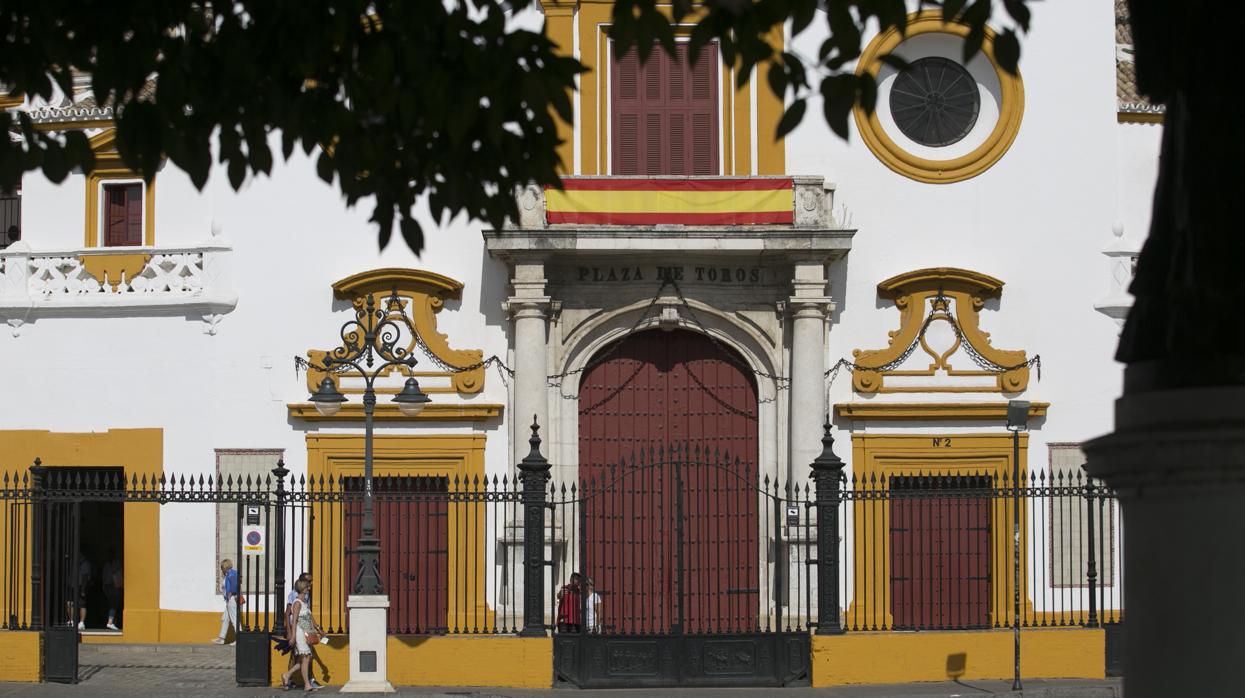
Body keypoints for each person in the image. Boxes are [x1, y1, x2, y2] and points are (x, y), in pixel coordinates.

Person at [280, 579, 325, 692]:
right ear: (303, 588)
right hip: (300, 633)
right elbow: (294, 621)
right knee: (305, 657)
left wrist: (319, 629)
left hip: (306, 632)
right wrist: (293, 636)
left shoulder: (304, 602)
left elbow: (310, 618)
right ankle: (307, 684)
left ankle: (287, 675)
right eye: (307, 587)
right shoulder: (296, 603)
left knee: (306, 658)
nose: (309, 588)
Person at [213, 559, 239, 644]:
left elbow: (234, 587)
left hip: (231, 599)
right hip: (229, 600)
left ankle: (240, 639)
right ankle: (221, 638)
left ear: (225, 566)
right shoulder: (230, 574)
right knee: (225, 619)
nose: (221, 569)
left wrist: (229, 596)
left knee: (234, 619)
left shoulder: (231, 574)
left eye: (222, 567)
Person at [102, 549, 122, 631]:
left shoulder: (106, 564)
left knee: (112, 605)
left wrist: (103, 586)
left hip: (108, 586)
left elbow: (104, 576)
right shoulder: (115, 563)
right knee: (114, 605)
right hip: (114, 586)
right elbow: (116, 573)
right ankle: (110, 622)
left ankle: (113, 622)